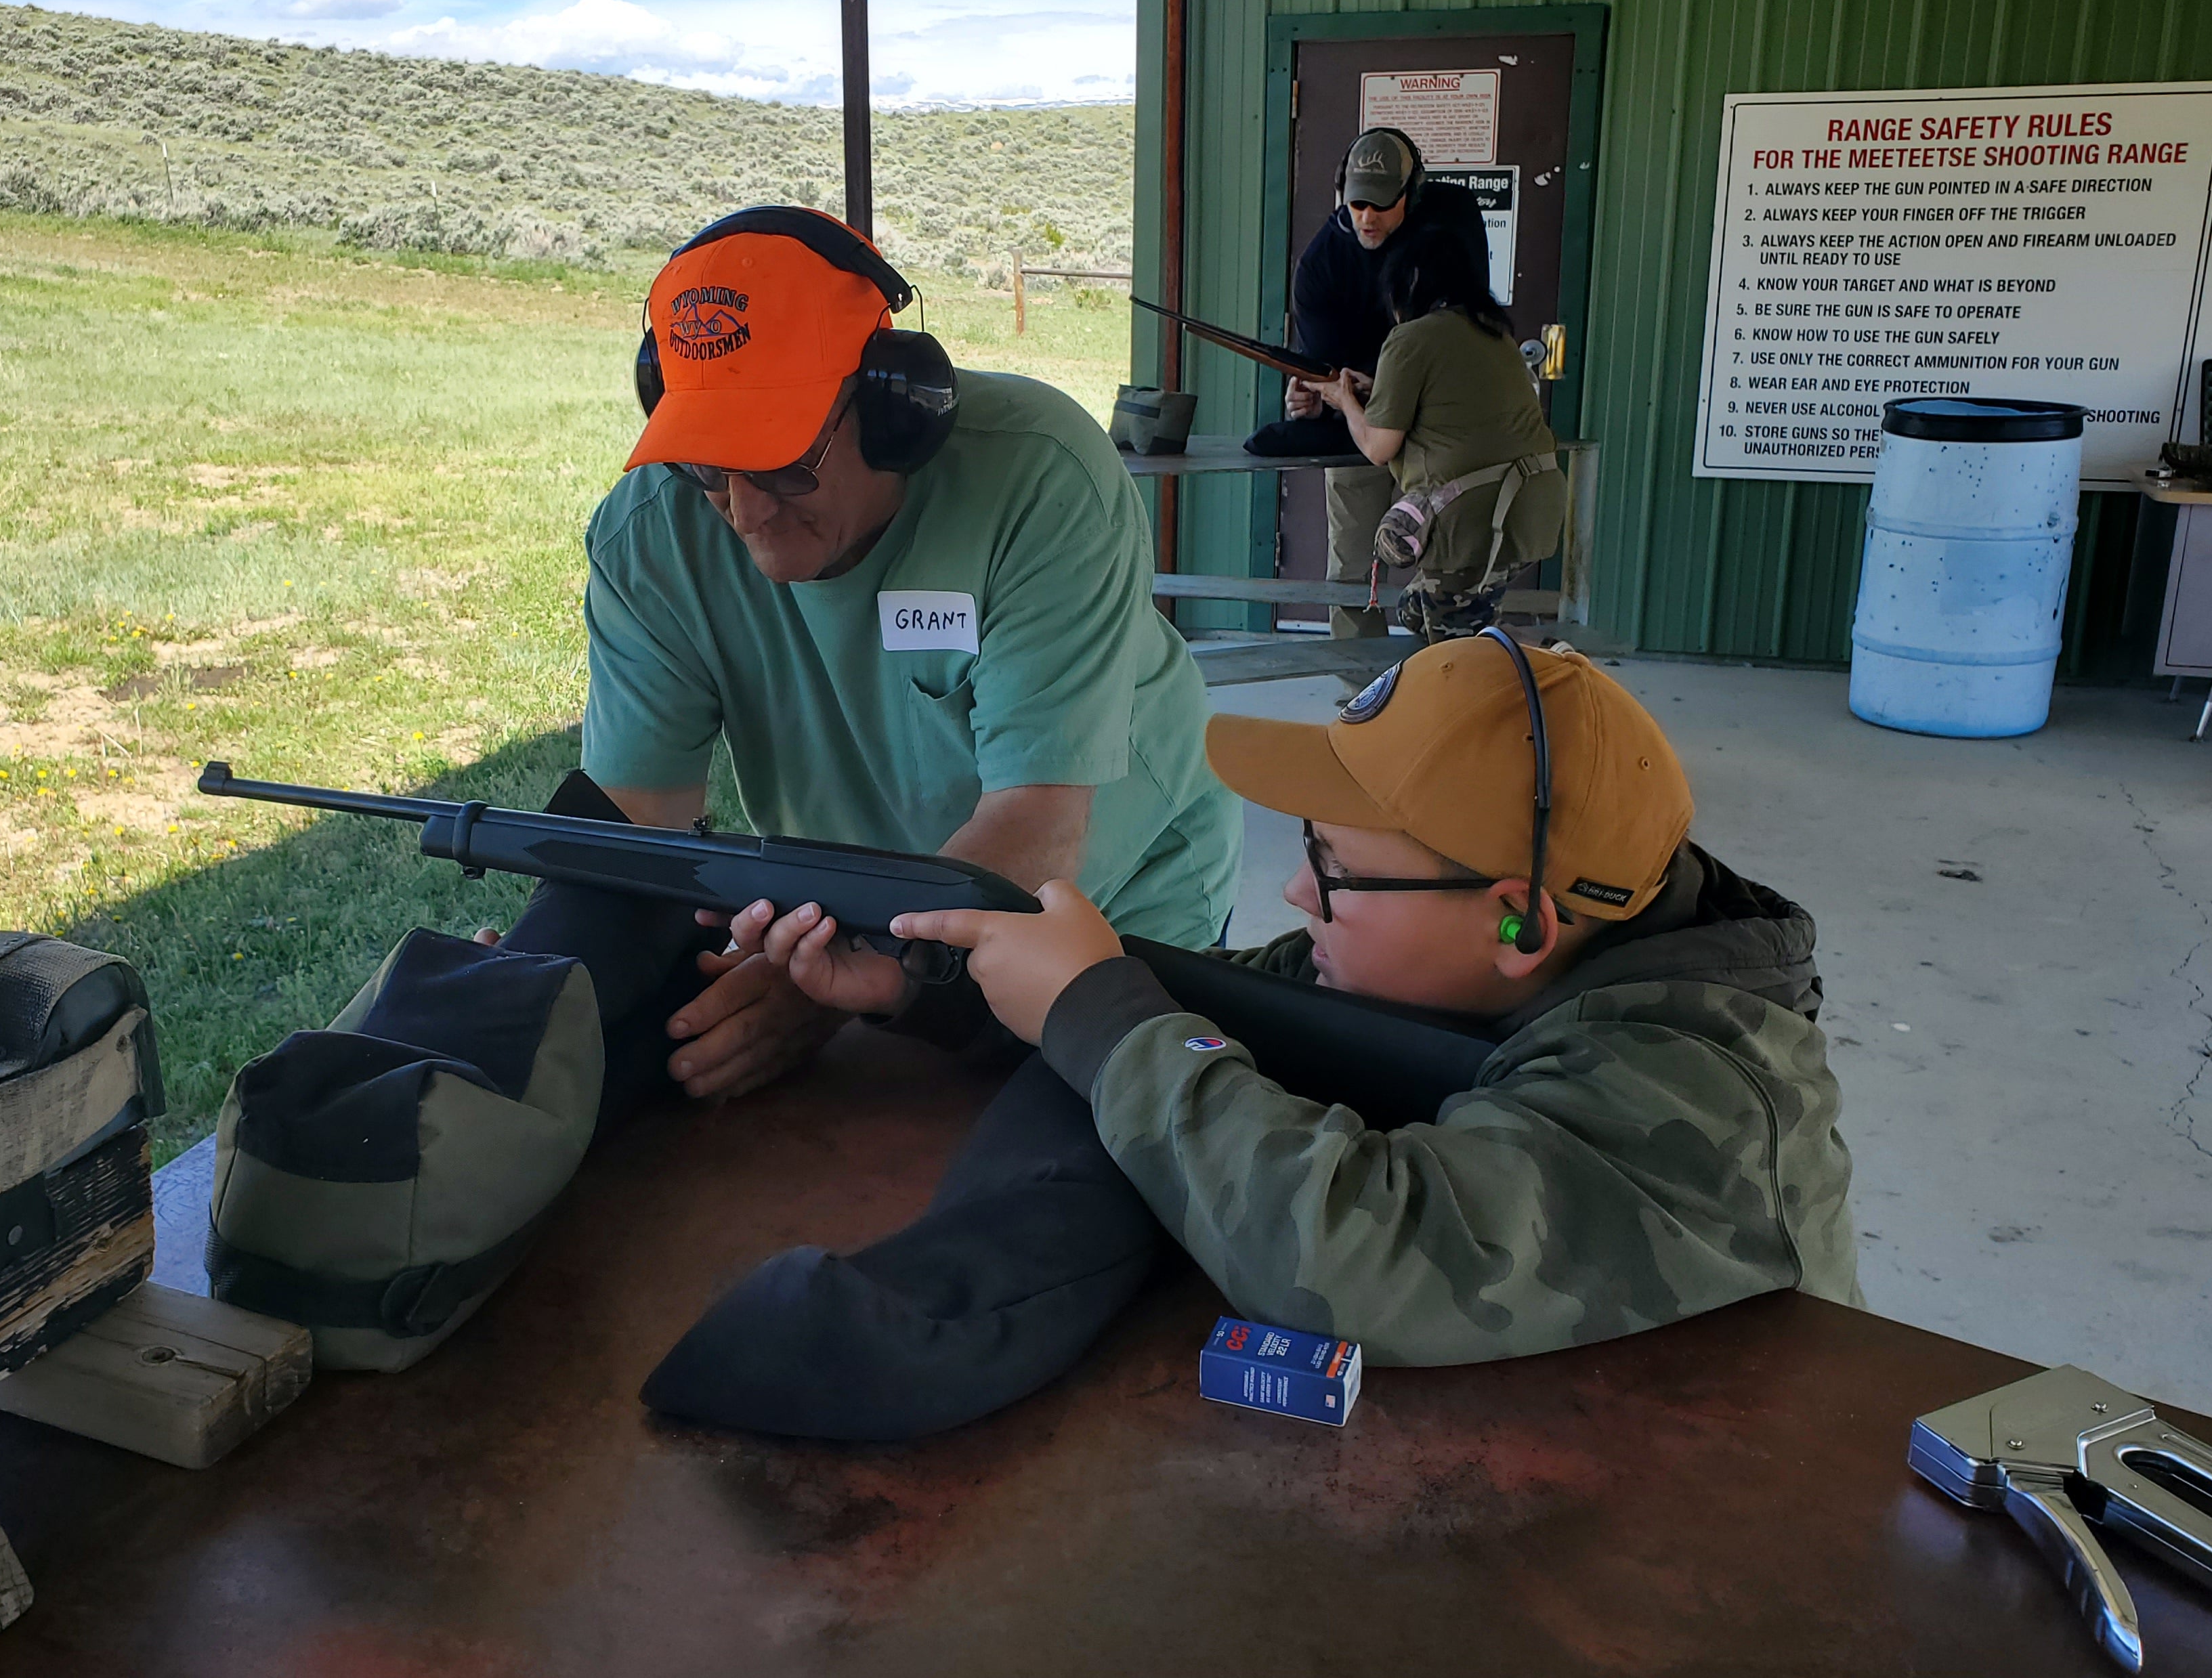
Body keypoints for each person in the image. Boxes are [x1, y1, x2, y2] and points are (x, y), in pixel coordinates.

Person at [730, 634, 1900, 1678]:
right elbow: (1221, 1016)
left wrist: (1101, 1018)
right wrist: (941, 987)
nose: (1295, 896)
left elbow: (1352, 1247)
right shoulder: (1521, 971)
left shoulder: (1697, 1097)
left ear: (1523, 918)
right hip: (1516, 1567)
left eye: (1334, 871)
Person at [535, 205, 1238, 1106]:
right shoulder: (650, 536)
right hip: (856, 921)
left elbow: (1038, 826)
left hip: (1116, 891)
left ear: (894, 409)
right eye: (708, 465)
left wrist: (854, 970)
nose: (746, 513)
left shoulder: (1040, 479)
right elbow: (640, 830)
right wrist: (551, 972)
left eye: (786, 463)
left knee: (1087, 1133)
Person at [1281, 127, 1489, 640]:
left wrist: (1395, 388)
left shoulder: (1452, 223)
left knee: (1447, 568)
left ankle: (1440, 692)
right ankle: (1362, 704)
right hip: (1360, 427)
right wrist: (1312, 391)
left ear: (1412, 194)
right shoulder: (1320, 266)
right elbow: (1325, 371)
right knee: (1353, 568)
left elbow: (1470, 330)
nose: (1367, 217)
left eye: (1381, 204)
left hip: (1439, 429)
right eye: (1356, 205)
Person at [1315, 228, 1567, 643]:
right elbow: (1451, 405)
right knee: (1418, 612)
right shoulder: (1493, 333)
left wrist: (1346, 402)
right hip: (1533, 512)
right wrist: (1376, 390)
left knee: (1459, 654)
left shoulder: (1411, 337)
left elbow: (1378, 448)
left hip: (1473, 527)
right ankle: (1523, 653)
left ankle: (1546, 662)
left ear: (1409, 284)